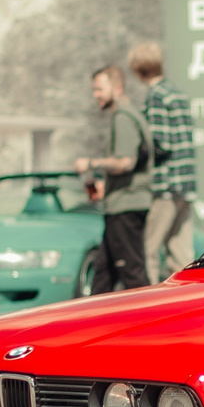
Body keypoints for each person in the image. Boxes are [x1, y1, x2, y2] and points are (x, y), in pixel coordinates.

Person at [76, 63, 152, 291]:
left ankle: (149, 321)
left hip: (126, 207)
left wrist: (90, 163)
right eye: (94, 90)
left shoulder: (123, 117)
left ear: (117, 87)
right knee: (103, 275)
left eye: (99, 89)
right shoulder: (129, 115)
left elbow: (125, 162)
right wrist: (105, 186)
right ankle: (95, 324)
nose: (95, 95)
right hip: (118, 204)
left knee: (133, 275)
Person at [131, 41, 197, 279]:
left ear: (137, 70)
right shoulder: (177, 93)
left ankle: (150, 302)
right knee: (181, 254)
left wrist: (136, 155)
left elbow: (161, 143)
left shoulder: (156, 96)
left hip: (166, 185)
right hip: (186, 183)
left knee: (148, 251)